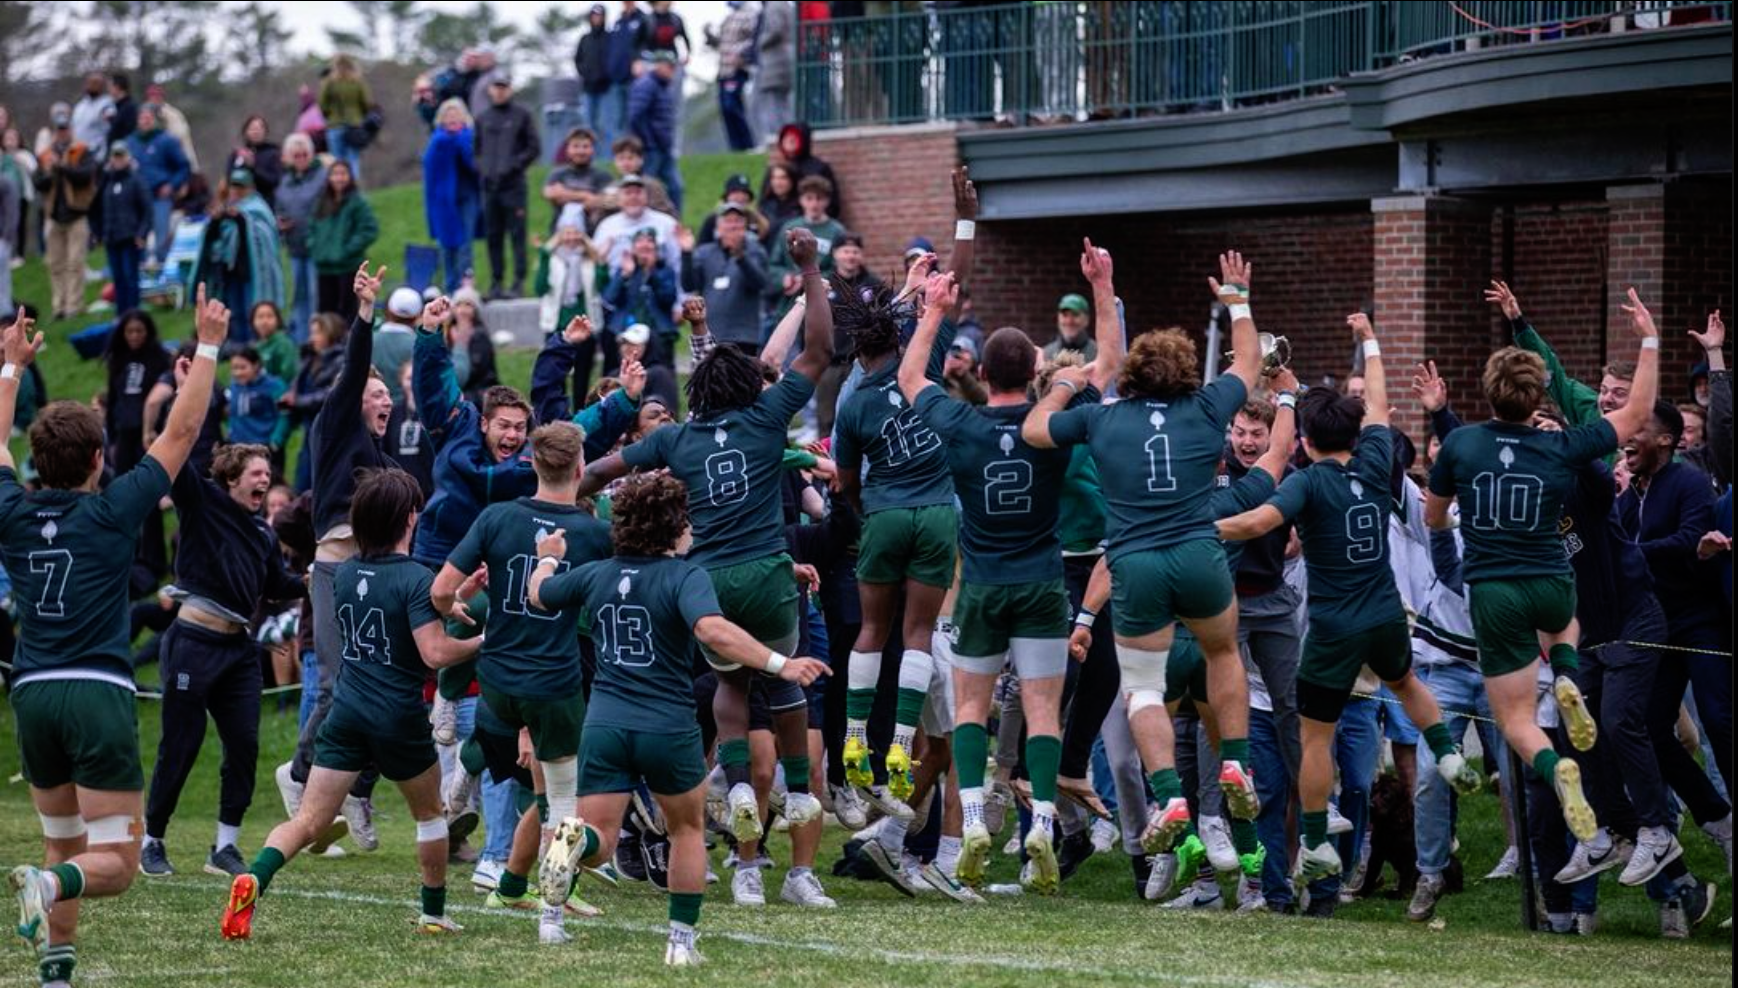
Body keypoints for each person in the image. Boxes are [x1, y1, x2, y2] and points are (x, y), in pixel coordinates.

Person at [577, 230, 837, 911]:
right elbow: (819, 350)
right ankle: (802, 793)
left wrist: (574, 487)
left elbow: (603, 470)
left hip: (710, 581)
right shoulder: (766, 418)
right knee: (783, 686)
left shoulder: (675, 438)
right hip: (769, 569)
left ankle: (742, 790)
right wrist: (808, 268)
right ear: (750, 384)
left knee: (728, 687)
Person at [1215, 312, 1480, 904]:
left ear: (1304, 443)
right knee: (1407, 681)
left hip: (1332, 629)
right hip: (1385, 614)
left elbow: (1258, 521)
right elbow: (1381, 407)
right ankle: (1447, 752)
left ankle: (1314, 842)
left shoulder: (1307, 484)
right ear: (1357, 437)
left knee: (1314, 740)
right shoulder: (1377, 459)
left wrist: (1202, 525)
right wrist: (1370, 342)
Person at [2, 294, 224, 988]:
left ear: (35, 461)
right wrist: (209, 346)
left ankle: (55, 974)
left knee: (64, 844)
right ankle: (44, 885)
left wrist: (10, 368)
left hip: (31, 693)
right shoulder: (111, 511)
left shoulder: (11, 509)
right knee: (113, 866)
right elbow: (182, 432)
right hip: (96, 692)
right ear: (99, 457)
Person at [527, 472, 830, 965]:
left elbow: (539, 594)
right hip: (666, 725)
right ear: (674, 526)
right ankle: (681, 945)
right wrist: (781, 663)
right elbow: (712, 628)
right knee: (686, 831)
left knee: (598, 841)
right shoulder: (685, 576)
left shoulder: (597, 573)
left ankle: (563, 873)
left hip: (605, 724)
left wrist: (547, 556)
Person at [1024, 247, 1265, 844]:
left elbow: (1034, 429)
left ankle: (1170, 799)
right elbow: (1253, 360)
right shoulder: (1210, 408)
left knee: (1145, 687)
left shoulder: (1103, 418)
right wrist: (1236, 298)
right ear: (1186, 371)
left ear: (1131, 375)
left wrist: (1061, 383)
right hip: (1199, 556)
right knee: (1223, 655)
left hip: (1135, 564)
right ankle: (1234, 760)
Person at [899, 262, 1112, 894]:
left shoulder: (961, 423)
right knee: (1044, 709)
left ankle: (971, 821)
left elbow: (911, 375)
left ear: (984, 374)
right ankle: (1041, 821)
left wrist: (935, 307)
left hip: (984, 587)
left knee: (970, 705)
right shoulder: (1049, 428)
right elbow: (1107, 371)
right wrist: (1102, 291)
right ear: (1035, 373)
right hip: (1045, 584)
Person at [1423, 287, 1662, 846]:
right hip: (1553, 582)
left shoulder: (1459, 444)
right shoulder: (1563, 447)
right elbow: (1638, 413)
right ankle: (1569, 676)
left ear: (1489, 393)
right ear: (1536, 400)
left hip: (1496, 590)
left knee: (1515, 721)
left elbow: (1434, 518)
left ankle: (1558, 767)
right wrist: (1648, 339)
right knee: (1564, 628)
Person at [220, 468, 484, 940]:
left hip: (346, 711)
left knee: (308, 821)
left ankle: (253, 877)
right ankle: (433, 914)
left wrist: (451, 601)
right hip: (397, 715)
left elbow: (392, 612)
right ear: (408, 518)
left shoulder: (342, 575)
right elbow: (435, 653)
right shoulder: (416, 576)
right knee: (429, 816)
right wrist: (486, 640)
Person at [430, 421, 615, 944]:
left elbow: (443, 590)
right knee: (565, 810)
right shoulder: (596, 534)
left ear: (532, 463)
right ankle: (551, 918)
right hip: (554, 683)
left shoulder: (495, 517)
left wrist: (458, 608)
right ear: (580, 470)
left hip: (496, 683)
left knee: (521, 759)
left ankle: (471, 774)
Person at [275, 262, 400, 856]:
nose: (386, 404)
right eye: (379, 395)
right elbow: (354, 368)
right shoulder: (335, 423)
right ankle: (299, 776)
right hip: (334, 568)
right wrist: (366, 313)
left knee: (380, 684)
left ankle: (355, 788)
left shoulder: (382, 456)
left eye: (389, 398)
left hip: (373, 575)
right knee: (336, 682)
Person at [141, 443, 305, 877]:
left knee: (244, 746)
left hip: (239, 652)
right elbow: (175, 446)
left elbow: (276, 584)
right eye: (256, 474)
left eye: (267, 473)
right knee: (181, 745)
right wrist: (185, 390)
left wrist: (313, 577)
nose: (265, 480)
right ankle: (152, 840)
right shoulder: (201, 501)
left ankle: (225, 846)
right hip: (192, 643)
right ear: (232, 478)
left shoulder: (263, 534)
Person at [1616, 399, 1733, 822]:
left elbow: (1689, 539)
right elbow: (1614, 547)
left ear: (1665, 440)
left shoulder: (1689, 482)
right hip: (1655, 625)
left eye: (1638, 427)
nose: (1627, 436)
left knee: (1719, 721)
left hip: (1700, 621)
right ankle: (1717, 815)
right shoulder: (1630, 497)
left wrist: (1628, 555)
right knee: (1646, 726)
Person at [190, 168, 285, 348]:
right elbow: (214, 239)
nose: (236, 190)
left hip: (251, 272)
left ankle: (257, 345)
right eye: (234, 186)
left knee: (253, 309)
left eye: (241, 186)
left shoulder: (258, 208)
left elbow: (263, 237)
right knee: (234, 312)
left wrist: (241, 220)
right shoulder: (226, 207)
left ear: (250, 187)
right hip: (230, 272)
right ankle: (238, 346)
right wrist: (217, 220)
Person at [475, 72, 539, 300]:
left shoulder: (522, 115)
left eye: (504, 86)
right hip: (490, 187)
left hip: (514, 186)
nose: (500, 91)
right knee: (493, 236)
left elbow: (533, 148)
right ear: (490, 89)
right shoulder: (483, 117)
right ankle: (496, 282)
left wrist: (514, 165)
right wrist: (483, 169)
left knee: (517, 235)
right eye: (496, 87)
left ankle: (518, 282)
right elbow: (477, 150)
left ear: (510, 89)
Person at [35, 109, 98, 321]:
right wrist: (51, 170)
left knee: (75, 262)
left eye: (65, 128)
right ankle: (58, 307)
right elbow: (39, 184)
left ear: (71, 129)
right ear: (55, 131)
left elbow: (86, 176)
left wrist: (62, 167)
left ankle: (74, 306)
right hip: (53, 216)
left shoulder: (81, 151)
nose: (62, 132)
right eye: (59, 129)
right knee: (55, 264)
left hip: (76, 214)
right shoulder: (45, 154)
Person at [681, 202, 768, 348]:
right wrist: (686, 253)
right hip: (710, 333)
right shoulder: (705, 252)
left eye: (738, 221)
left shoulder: (756, 251)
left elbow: (760, 283)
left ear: (745, 226)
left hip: (744, 336)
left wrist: (741, 258)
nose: (732, 226)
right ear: (718, 227)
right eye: (728, 221)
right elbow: (688, 285)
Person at [535, 206, 604, 389]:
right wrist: (545, 252)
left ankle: (579, 411)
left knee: (582, 374)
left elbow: (602, 284)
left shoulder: (588, 260)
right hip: (557, 323)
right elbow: (540, 288)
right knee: (556, 373)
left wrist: (595, 254)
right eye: (566, 233)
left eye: (576, 233)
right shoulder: (552, 259)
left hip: (585, 322)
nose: (571, 238)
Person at [307, 159, 378, 324]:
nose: (339, 178)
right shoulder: (321, 203)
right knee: (325, 314)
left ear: (350, 177)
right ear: (329, 177)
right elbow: (311, 228)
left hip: (348, 267)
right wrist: (315, 247)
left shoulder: (357, 203)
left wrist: (346, 250)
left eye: (343, 174)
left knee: (348, 312)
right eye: (335, 174)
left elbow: (369, 230)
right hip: (324, 268)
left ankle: (348, 346)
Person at [765, 176, 845, 316]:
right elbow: (773, 265)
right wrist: (785, 277)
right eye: (809, 198)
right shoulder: (790, 227)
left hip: (823, 300)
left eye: (819, 199)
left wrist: (809, 278)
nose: (814, 204)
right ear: (801, 200)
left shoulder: (837, 231)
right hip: (789, 302)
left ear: (827, 201)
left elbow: (839, 269)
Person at [422, 100, 479, 292]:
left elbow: (475, 165)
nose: (452, 118)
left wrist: (460, 142)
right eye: (448, 115)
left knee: (465, 242)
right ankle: (449, 285)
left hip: (467, 196)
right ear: (442, 119)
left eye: (456, 114)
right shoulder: (437, 140)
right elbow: (430, 170)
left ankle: (466, 283)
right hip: (443, 201)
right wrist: (448, 142)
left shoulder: (470, 138)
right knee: (446, 243)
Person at [274, 134, 326, 341]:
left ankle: (318, 338)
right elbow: (279, 207)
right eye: (296, 155)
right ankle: (301, 340)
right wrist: (280, 222)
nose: (301, 158)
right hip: (294, 247)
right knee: (299, 296)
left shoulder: (322, 176)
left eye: (304, 154)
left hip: (316, 247)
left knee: (316, 296)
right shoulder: (285, 181)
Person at [124, 105, 189, 269]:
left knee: (161, 242)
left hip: (160, 198)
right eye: (142, 118)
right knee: (138, 241)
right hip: (136, 201)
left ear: (154, 120)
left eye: (148, 118)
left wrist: (172, 185)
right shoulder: (130, 142)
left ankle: (164, 282)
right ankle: (140, 282)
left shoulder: (166, 140)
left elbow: (183, 166)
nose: (145, 121)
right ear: (137, 121)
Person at [93, 144, 150, 316]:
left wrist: (142, 234)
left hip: (130, 238)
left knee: (130, 277)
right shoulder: (106, 182)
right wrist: (98, 232)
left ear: (127, 158)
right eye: (115, 156)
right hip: (112, 238)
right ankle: (121, 315)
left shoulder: (136, 180)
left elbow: (147, 210)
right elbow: (96, 208)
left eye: (121, 156)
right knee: (118, 278)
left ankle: (134, 313)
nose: (117, 160)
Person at [627, 50, 682, 214]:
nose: (672, 70)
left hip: (663, 147)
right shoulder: (646, 84)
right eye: (669, 66)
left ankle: (675, 223)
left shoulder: (663, 86)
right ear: (657, 66)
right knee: (646, 189)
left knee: (675, 188)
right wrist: (647, 141)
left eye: (674, 66)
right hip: (651, 148)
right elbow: (635, 116)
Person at [591, 173, 679, 272]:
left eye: (638, 192)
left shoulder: (666, 223)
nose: (633, 197)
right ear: (618, 199)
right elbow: (595, 262)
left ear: (647, 197)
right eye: (628, 193)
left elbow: (677, 262)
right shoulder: (606, 226)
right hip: (617, 283)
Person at [541, 127, 612, 233]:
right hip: (562, 235)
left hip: (593, 234)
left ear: (593, 150)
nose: (580, 151)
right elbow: (548, 193)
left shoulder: (603, 175)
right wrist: (586, 196)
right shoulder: (558, 174)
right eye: (576, 146)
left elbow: (611, 202)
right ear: (567, 149)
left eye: (585, 146)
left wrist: (565, 195)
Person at [712, 0, 761, 151]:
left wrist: (742, 54)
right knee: (725, 110)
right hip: (723, 71)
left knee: (732, 106)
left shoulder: (750, 15)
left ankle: (748, 144)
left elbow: (754, 40)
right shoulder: (729, 17)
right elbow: (722, 42)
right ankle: (735, 148)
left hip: (737, 70)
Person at [604, 0, 651, 156]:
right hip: (617, 78)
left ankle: (638, 151)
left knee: (635, 117)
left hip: (635, 79)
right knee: (618, 120)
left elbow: (647, 45)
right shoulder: (617, 22)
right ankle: (620, 153)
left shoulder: (643, 19)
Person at [320, 54, 373, 183]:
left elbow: (322, 104)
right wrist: (360, 115)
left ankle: (339, 191)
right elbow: (368, 103)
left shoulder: (329, 82)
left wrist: (330, 115)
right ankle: (353, 190)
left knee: (337, 161)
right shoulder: (357, 82)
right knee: (353, 160)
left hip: (334, 125)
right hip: (354, 125)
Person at [769, 123, 839, 216]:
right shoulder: (776, 167)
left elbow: (832, 203)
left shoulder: (818, 168)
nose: (789, 140)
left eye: (794, 137)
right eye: (786, 137)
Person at [752, 2, 798, 145]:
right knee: (783, 104)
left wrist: (759, 43)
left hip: (775, 60)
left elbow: (776, 30)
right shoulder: (786, 5)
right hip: (785, 58)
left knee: (773, 104)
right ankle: (786, 138)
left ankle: (776, 139)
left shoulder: (774, 6)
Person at [225, 347, 287, 449]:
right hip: (237, 446)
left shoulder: (275, 386)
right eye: (234, 368)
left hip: (264, 447)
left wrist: (276, 440)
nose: (238, 373)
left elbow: (284, 414)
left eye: (243, 367)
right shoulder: (234, 385)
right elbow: (231, 412)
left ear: (256, 366)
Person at [574, 6, 614, 147]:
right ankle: (590, 155)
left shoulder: (610, 38)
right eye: (594, 16)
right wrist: (585, 73)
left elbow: (614, 60)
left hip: (606, 89)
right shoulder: (585, 39)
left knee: (606, 124)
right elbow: (578, 60)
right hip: (588, 88)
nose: (597, 19)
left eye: (600, 16)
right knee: (588, 125)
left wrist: (606, 75)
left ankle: (609, 158)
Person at [225, 116, 283, 209]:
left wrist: (253, 167)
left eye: (260, 128)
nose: (256, 132)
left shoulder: (273, 153)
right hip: (239, 204)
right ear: (245, 132)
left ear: (265, 131)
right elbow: (229, 178)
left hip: (265, 204)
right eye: (252, 128)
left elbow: (274, 181)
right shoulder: (237, 154)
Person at [143, 84, 198, 173]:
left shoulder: (172, 114)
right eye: (152, 97)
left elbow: (179, 135)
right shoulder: (146, 116)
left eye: (157, 96)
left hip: (180, 161)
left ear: (161, 98)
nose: (154, 100)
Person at [250, 302, 299, 393]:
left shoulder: (284, 344)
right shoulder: (255, 346)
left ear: (278, 320)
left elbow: (287, 377)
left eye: (270, 316)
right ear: (253, 321)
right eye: (260, 317)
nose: (264, 321)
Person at [70, 73, 114, 160]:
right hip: (77, 152)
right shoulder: (81, 105)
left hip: (95, 154)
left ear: (102, 86)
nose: (92, 86)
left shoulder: (107, 103)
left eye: (96, 83)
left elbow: (110, 120)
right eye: (90, 83)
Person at [757, 162, 801, 247]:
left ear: (792, 180)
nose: (777, 183)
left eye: (783, 178)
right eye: (774, 178)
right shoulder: (764, 206)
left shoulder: (800, 208)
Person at [1043, 293, 1095, 362]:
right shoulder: (1046, 354)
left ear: (1086, 319)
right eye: (1065, 315)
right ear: (1058, 318)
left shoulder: (1098, 354)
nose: (1069, 321)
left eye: (1075, 315)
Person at [105, 73, 138, 152]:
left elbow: (130, 133)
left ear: (117, 87)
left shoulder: (130, 107)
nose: (108, 89)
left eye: (110, 86)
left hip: (123, 155)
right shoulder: (117, 107)